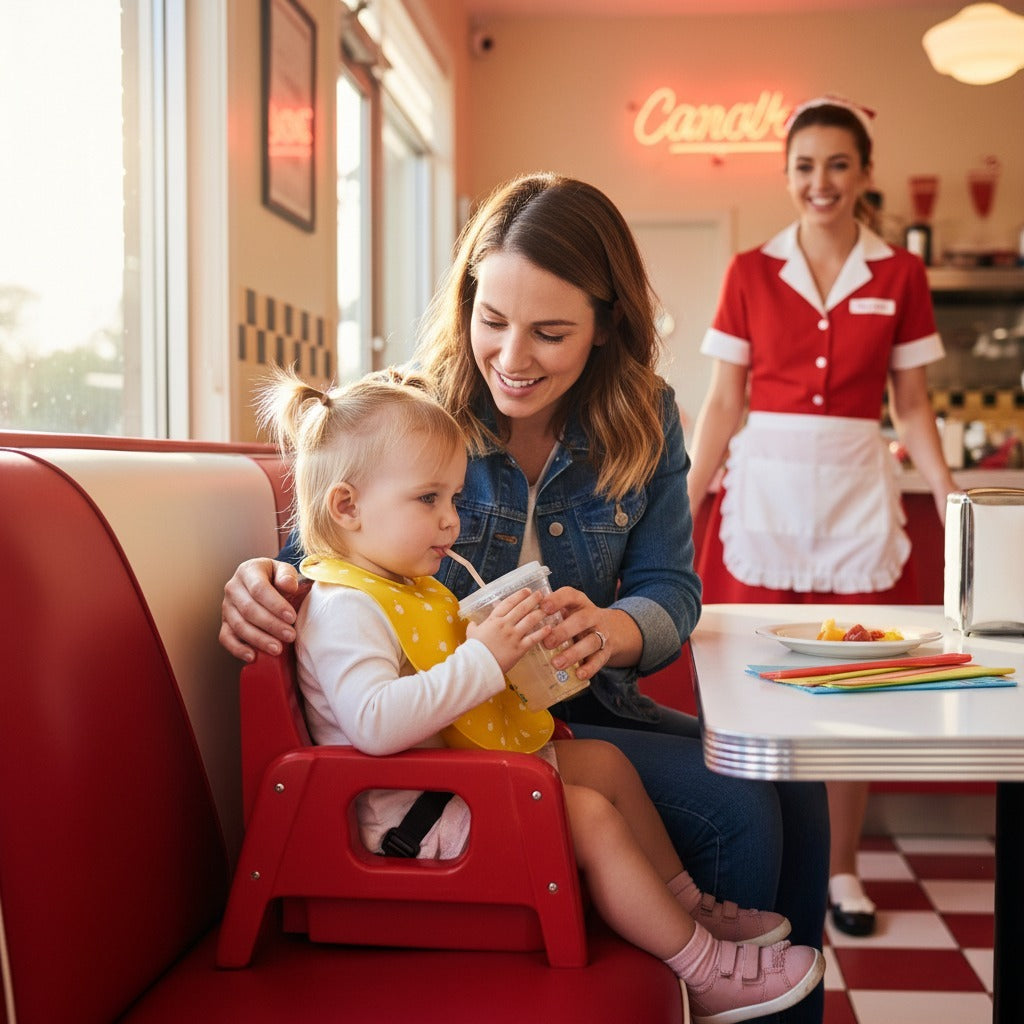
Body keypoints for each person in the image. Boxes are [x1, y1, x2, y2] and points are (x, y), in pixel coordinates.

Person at [221, 172, 830, 1023]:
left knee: (793, 777)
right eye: (492, 322)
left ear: (606, 325)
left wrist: (612, 631)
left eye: (549, 333)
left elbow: (671, 588)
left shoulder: (644, 414)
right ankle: (717, 979)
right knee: (740, 807)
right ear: (466, 303)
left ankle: (774, 992)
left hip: (581, 708)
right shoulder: (410, 410)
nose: (511, 359)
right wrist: (260, 579)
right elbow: (322, 556)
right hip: (468, 726)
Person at [685, 98, 959, 939]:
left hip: (853, 497)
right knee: (749, 687)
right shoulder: (748, 271)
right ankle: (754, 862)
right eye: (805, 166)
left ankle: (842, 867)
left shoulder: (901, 276)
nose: (821, 182)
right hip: (761, 496)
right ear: (787, 174)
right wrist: (680, 501)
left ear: (864, 173)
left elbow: (911, 408)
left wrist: (955, 502)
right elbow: (723, 402)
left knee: (856, 690)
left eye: (838, 164)